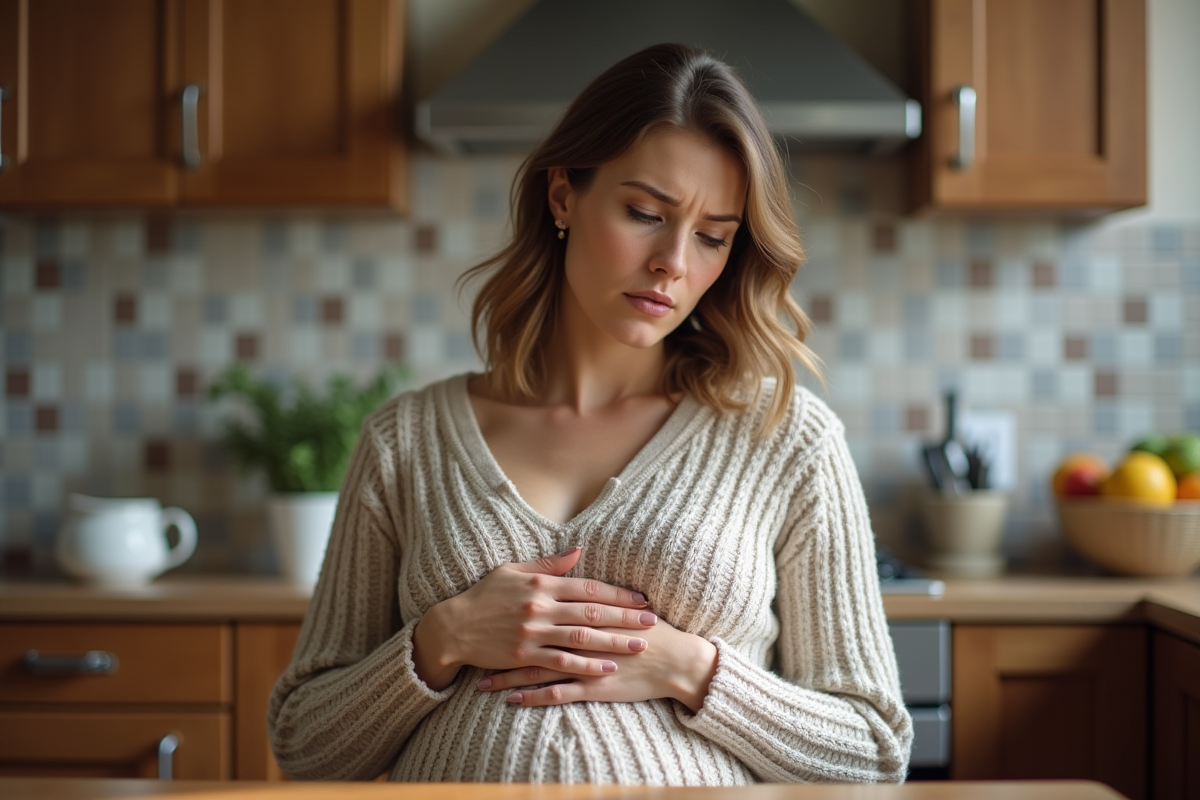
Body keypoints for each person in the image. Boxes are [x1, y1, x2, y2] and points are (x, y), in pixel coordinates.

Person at [268, 42, 912, 785]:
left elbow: (874, 750)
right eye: (645, 212)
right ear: (564, 197)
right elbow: (304, 742)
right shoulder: (404, 441)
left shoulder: (787, 441)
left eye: (712, 237)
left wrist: (693, 671)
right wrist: (440, 639)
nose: (674, 259)